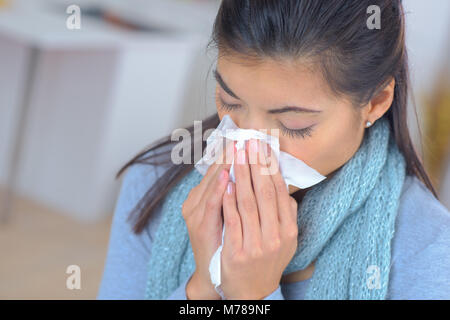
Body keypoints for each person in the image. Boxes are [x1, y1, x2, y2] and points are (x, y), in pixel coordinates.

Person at [97, 0, 450, 300]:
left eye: (294, 125)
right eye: (230, 102)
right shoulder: (151, 185)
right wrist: (204, 286)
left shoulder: (427, 249)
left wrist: (253, 297)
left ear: (375, 101)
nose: (251, 145)